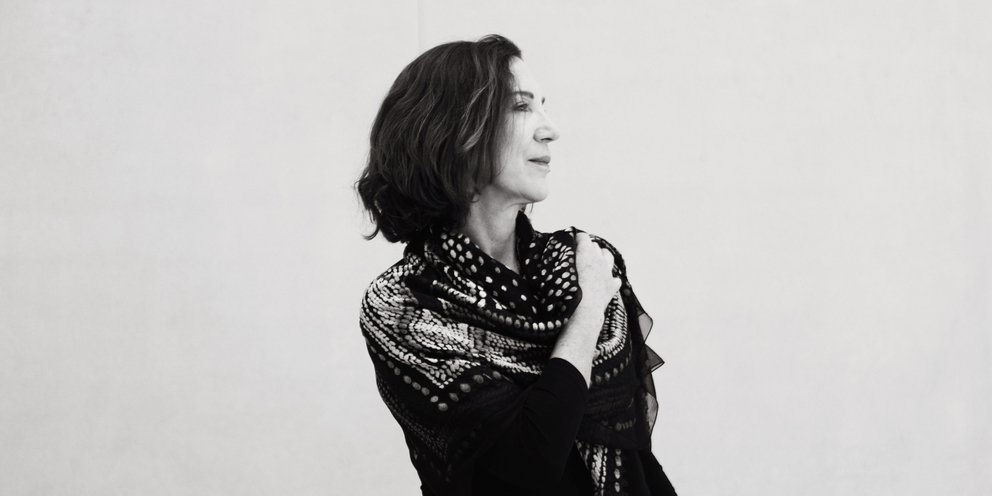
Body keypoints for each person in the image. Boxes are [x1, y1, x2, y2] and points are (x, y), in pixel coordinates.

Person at [356, 34, 677, 496]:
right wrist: (587, 313)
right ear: (456, 130)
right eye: (521, 107)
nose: (550, 130)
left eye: (543, 107)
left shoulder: (581, 262)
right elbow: (529, 464)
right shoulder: (403, 305)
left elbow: (634, 452)